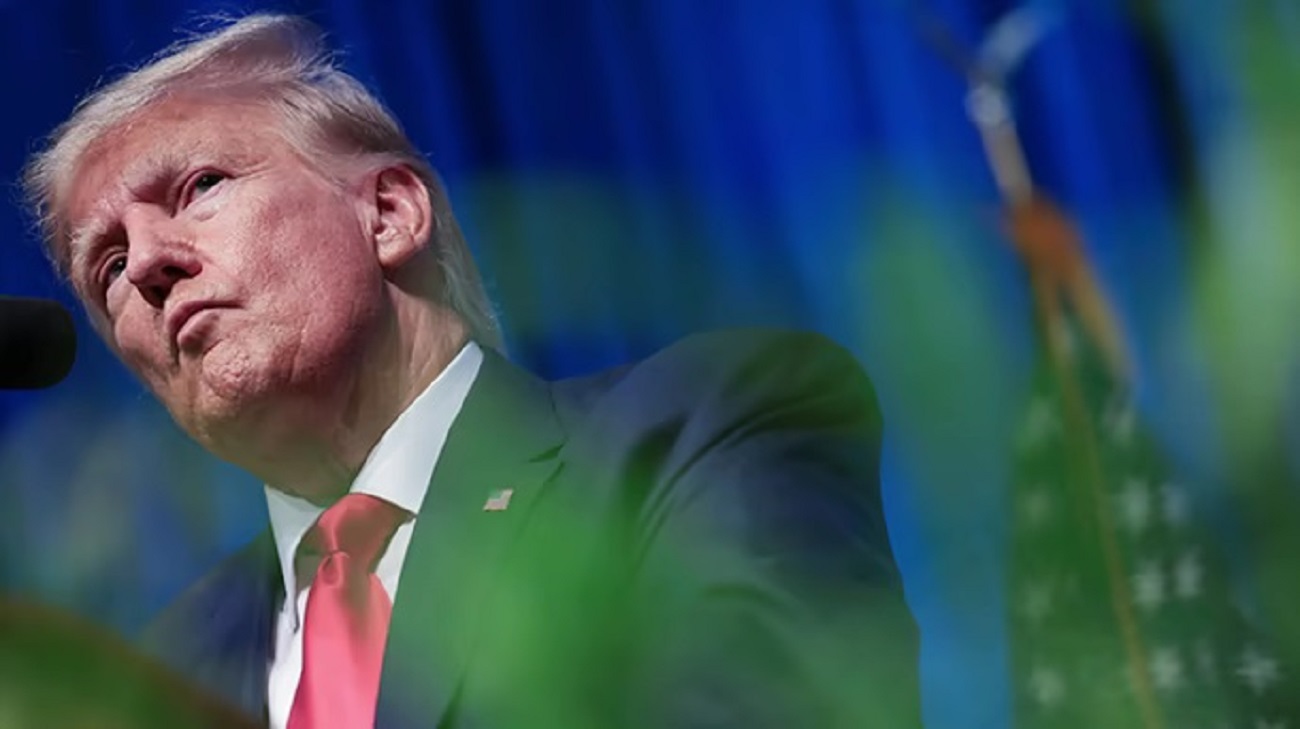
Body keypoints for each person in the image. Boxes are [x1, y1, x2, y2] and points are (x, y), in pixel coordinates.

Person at [21, 13, 921, 729]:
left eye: (200, 187)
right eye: (108, 267)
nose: (148, 265)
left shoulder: (704, 428)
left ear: (389, 213)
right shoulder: (159, 670)